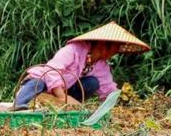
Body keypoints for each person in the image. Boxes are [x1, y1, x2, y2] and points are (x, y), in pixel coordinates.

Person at [14, 22, 150, 109]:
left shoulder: (101, 64)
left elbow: (107, 88)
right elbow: (52, 71)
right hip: (46, 84)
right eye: (114, 48)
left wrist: (114, 104)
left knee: (92, 82)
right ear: (104, 44)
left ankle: (69, 107)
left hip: (66, 90)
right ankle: (19, 105)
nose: (115, 52)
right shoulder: (72, 50)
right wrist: (61, 96)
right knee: (37, 82)